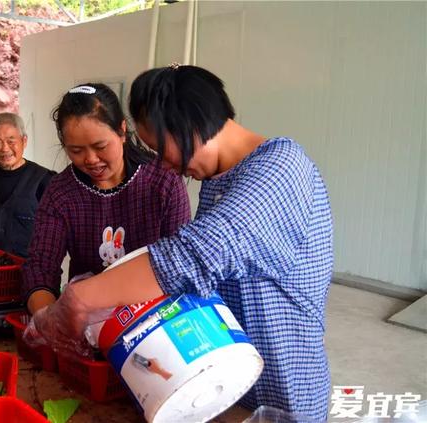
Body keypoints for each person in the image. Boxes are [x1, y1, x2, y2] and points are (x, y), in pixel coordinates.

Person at [27, 66, 334, 421]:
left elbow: (193, 255)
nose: (166, 166)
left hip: (283, 389)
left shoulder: (281, 168)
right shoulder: (221, 181)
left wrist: (82, 297)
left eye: (160, 149)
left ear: (189, 124)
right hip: (224, 380)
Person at [22, 82, 191, 314]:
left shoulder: (163, 182)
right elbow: (41, 266)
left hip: (156, 319)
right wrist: (47, 317)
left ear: (121, 131)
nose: (91, 159)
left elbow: (180, 264)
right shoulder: (60, 193)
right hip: (86, 320)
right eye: (76, 151)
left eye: (100, 146)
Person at [0, 112, 56, 258]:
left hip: (30, 273)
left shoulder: (44, 180)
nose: (5, 149)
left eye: (11, 141)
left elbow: (55, 236)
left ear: (24, 141)